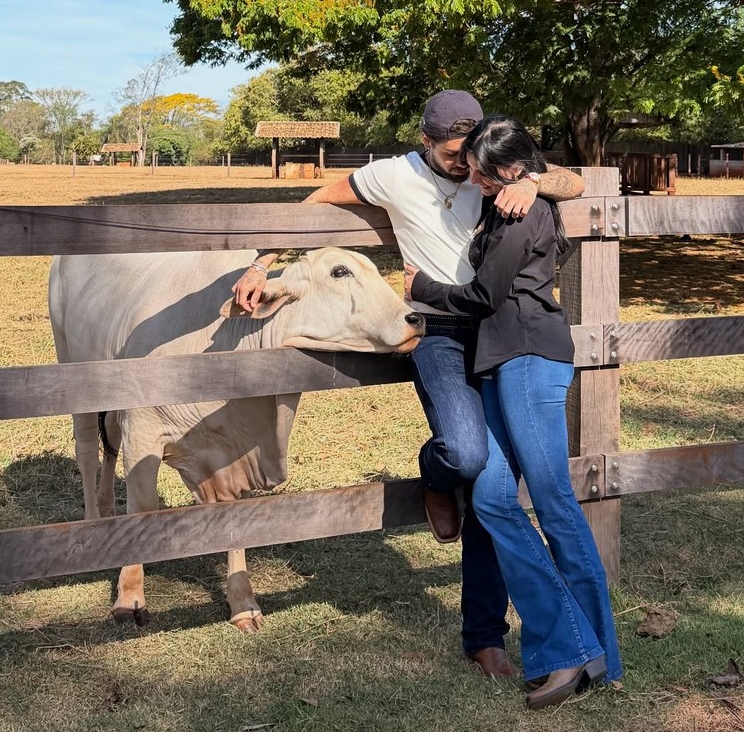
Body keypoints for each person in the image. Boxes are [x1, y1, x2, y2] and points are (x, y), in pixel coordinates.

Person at [231, 91, 586, 680]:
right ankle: (436, 471)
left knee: (496, 489)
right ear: (426, 142)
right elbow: (316, 199)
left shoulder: (492, 164)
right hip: (440, 332)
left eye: (471, 155)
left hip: (499, 332)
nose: (466, 168)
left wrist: (536, 184)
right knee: (466, 454)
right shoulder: (393, 175)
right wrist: (261, 262)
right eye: (452, 154)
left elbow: (574, 183)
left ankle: (484, 633)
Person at [404, 114, 622, 709]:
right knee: (496, 499)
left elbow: (483, 297)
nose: (470, 180)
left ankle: (584, 648)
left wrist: (420, 286)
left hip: (527, 357)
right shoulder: (511, 197)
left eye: (478, 173)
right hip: (501, 364)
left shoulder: (519, 213)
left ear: (508, 171)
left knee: (552, 500)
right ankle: (581, 644)